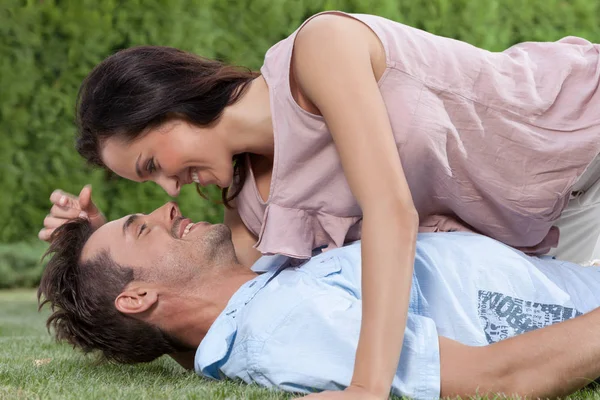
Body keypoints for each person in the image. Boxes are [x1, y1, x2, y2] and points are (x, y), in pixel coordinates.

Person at [38, 11, 600, 399]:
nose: (167, 190)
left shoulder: (318, 52)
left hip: (575, 134)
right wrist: (93, 252)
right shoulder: (253, 210)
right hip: (548, 226)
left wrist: (367, 385)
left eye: (151, 165)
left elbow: (391, 212)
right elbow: (210, 314)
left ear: (166, 105)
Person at [39, 202, 600, 399]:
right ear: (137, 296)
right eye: (142, 228)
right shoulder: (286, 329)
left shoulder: (244, 304)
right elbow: (499, 378)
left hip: (562, 261)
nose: (167, 209)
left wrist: (91, 242)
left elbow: (180, 336)